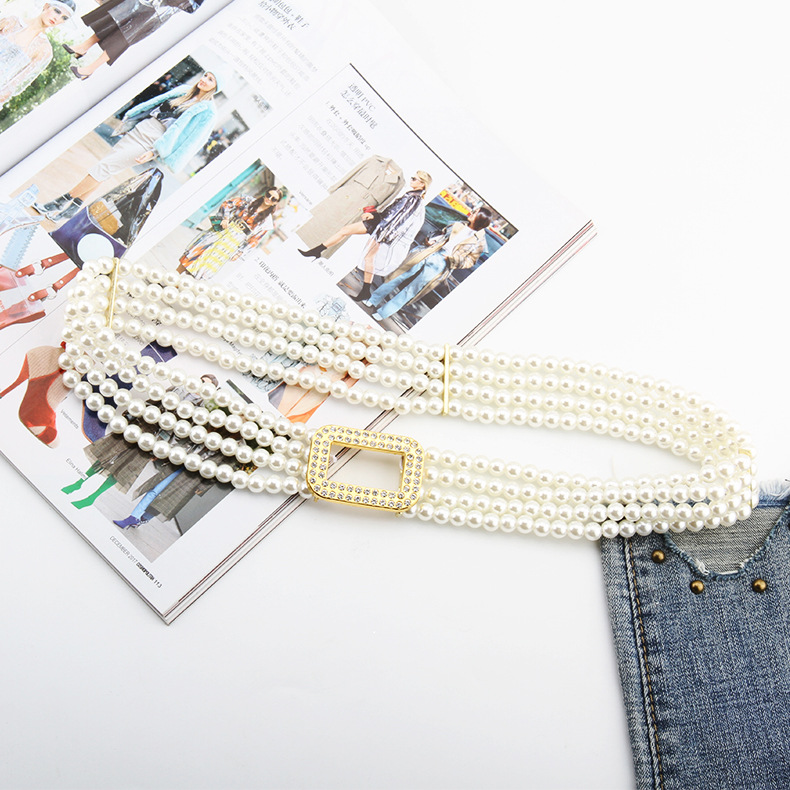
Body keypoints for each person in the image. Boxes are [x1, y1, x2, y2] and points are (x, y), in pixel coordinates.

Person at [33, 70, 220, 222]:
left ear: (216, 87)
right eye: (206, 75)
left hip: (151, 142)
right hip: (140, 130)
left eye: (211, 79)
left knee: (103, 167)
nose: (205, 80)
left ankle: (60, 202)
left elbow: (188, 141)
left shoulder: (208, 112)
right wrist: (131, 124)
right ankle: (72, 209)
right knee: (106, 169)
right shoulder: (185, 91)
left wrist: (155, 152)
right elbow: (153, 108)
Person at [301, 171, 432, 302]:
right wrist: (374, 215)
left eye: (414, 179)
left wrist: (382, 233)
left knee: (368, 256)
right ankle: (317, 251)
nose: (411, 180)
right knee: (346, 231)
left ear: (422, 184)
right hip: (380, 224)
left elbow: (398, 220)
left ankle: (365, 290)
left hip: (382, 229)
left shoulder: (413, 199)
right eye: (412, 177)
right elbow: (391, 213)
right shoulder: (411, 196)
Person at [365, 206, 492, 320]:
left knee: (412, 289)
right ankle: (373, 299)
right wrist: (430, 240)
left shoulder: (479, 242)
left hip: (442, 263)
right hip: (429, 251)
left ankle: (383, 313)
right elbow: (441, 234)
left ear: (481, 218)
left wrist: (451, 259)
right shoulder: (458, 225)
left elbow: (470, 261)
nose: (471, 212)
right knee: (399, 275)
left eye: (475, 212)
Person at [64, 0, 203, 80]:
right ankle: (84, 47)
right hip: (141, 1)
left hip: (156, 13)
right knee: (114, 20)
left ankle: (90, 68)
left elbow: (192, 7)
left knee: (122, 38)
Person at [177, 187, 283, 277]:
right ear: (265, 194)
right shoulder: (248, 201)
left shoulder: (267, 222)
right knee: (197, 251)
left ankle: (181, 283)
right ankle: (175, 274)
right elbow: (227, 204)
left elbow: (255, 240)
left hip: (234, 241)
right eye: (268, 195)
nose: (269, 199)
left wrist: (240, 252)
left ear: (276, 203)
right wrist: (225, 218)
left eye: (273, 199)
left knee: (207, 263)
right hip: (224, 229)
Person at [0, 0, 75, 106]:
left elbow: (17, 82)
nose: (57, 18)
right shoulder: (11, 22)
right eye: (57, 11)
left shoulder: (44, 50)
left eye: (64, 18)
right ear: (46, 6)